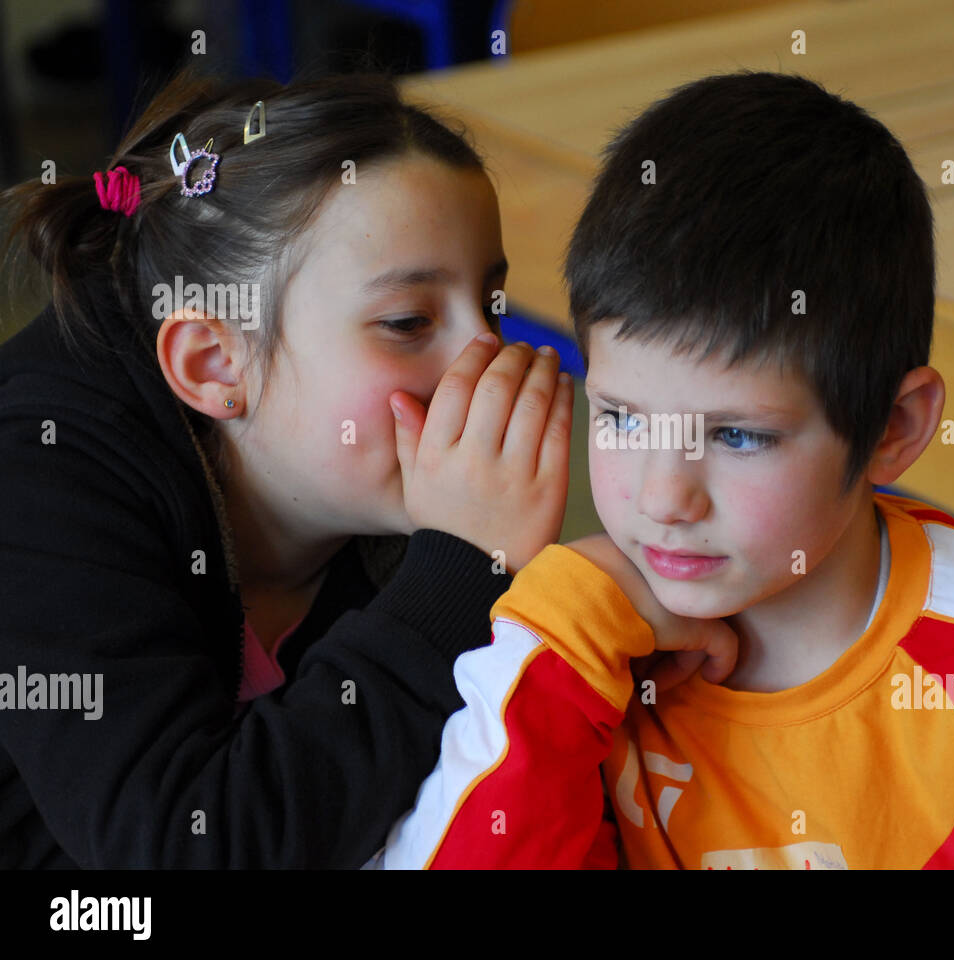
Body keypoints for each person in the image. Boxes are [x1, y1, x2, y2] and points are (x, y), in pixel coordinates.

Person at [370, 71, 954, 870]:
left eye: (738, 437)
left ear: (891, 430)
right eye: (621, 418)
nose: (663, 498)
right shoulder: (585, 657)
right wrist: (562, 635)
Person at [0, 66, 573, 867]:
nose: (485, 360)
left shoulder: (372, 492)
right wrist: (460, 573)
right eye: (408, 321)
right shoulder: (42, 479)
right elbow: (189, 848)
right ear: (214, 365)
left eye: (493, 305)